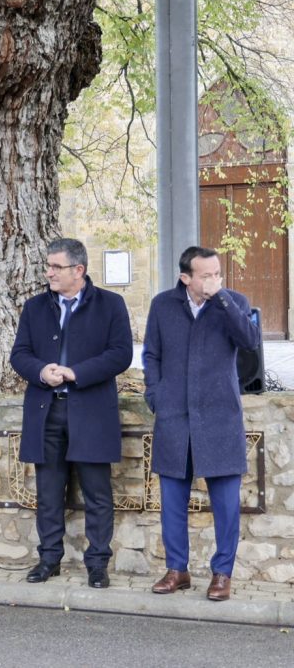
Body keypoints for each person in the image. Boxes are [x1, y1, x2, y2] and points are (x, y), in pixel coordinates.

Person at [10, 238, 132, 589]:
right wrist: (40, 371)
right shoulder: (34, 307)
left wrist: (75, 372)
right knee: (48, 493)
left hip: (91, 412)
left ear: (78, 270)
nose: (48, 272)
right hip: (46, 412)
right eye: (48, 266)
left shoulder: (111, 305)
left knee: (97, 493)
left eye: (56, 267)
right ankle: (49, 559)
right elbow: (19, 354)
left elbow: (121, 354)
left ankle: (97, 563)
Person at [143, 246, 258, 602]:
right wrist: (156, 396)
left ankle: (222, 573)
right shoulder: (163, 305)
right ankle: (177, 569)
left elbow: (250, 341)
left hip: (220, 417)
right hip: (175, 417)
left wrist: (220, 297)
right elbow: (151, 354)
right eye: (205, 275)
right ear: (186, 277)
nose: (213, 280)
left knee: (225, 504)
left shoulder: (232, 301)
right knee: (172, 500)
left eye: (217, 273)